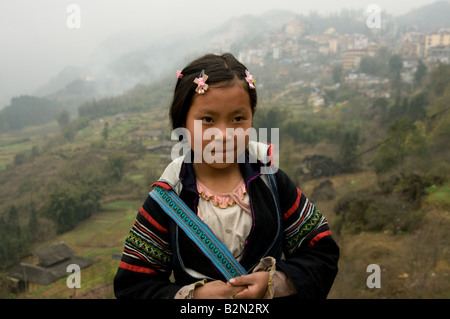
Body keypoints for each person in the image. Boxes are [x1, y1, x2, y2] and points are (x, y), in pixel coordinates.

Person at [113, 53, 339, 299]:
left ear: (252, 118)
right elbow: (133, 286)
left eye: (238, 119)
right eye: (207, 120)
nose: (224, 134)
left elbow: (321, 252)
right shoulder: (166, 200)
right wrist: (193, 297)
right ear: (183, 122)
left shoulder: (271, 182)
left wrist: (275, 281)